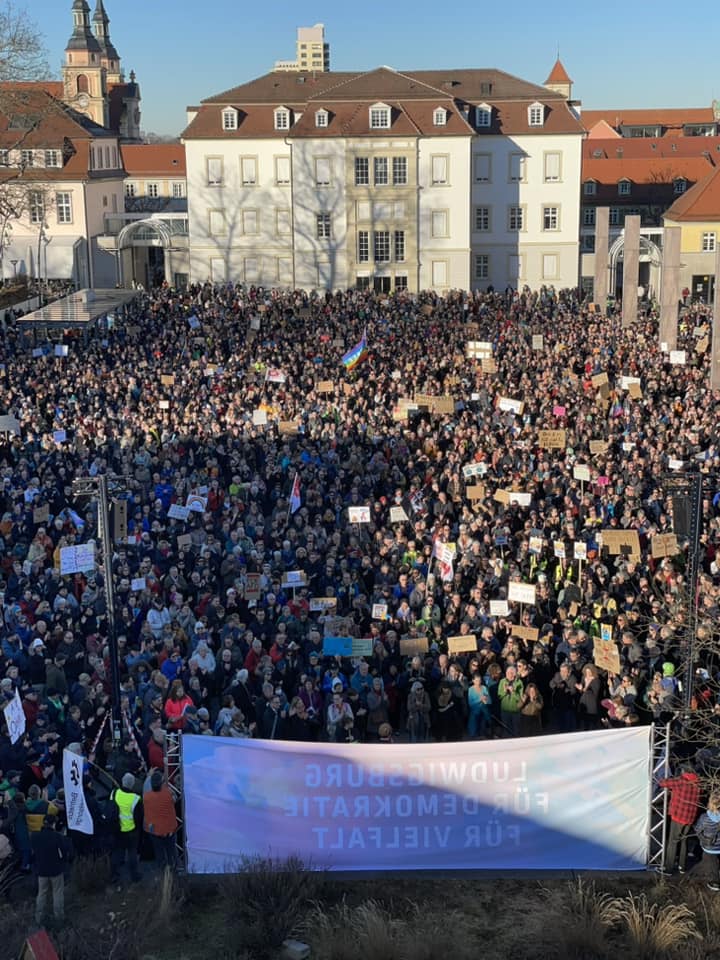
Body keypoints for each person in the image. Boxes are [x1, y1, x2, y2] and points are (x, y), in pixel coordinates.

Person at [658, 764, 701, 875]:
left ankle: (668, 868)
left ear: (683, 771)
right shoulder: (697, 783)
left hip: (679, 816)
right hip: (690, 817)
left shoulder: (681, 781)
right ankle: (682, 866)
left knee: (673, 841)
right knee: (683, 841)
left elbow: (662, 783)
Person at [31, 814, 70, 929]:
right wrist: (63, 862)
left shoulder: (35, 836)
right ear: (53, 824)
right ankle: (59, 918)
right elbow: (64, 852)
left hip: (41, 870)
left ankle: (39, 918)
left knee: (41, 893)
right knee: (57, 893)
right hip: (55, 869)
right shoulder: (57, 836)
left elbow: (33, 852)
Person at [142, 769, 178, 871]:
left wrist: (148, 776)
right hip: (169, 829)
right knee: (171, 850)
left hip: (154, 831)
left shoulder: (146, 797)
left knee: (159, 852)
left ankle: (163, 871)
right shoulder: (168, 794)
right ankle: (173, 869)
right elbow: (175, 798)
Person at [110, 772, 142, 884]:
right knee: (132, 853)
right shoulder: (136, 799)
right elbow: (139, 817)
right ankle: (134, 876)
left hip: (117, 829)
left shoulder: (114, 793)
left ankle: (115, 875)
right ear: (132, 784)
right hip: (131, 831)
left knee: (117, 852)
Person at [695, 793, 720, 891]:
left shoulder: (704, 817)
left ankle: (715, 883)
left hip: (710, 848)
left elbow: (698, 829)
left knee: (711, 864)